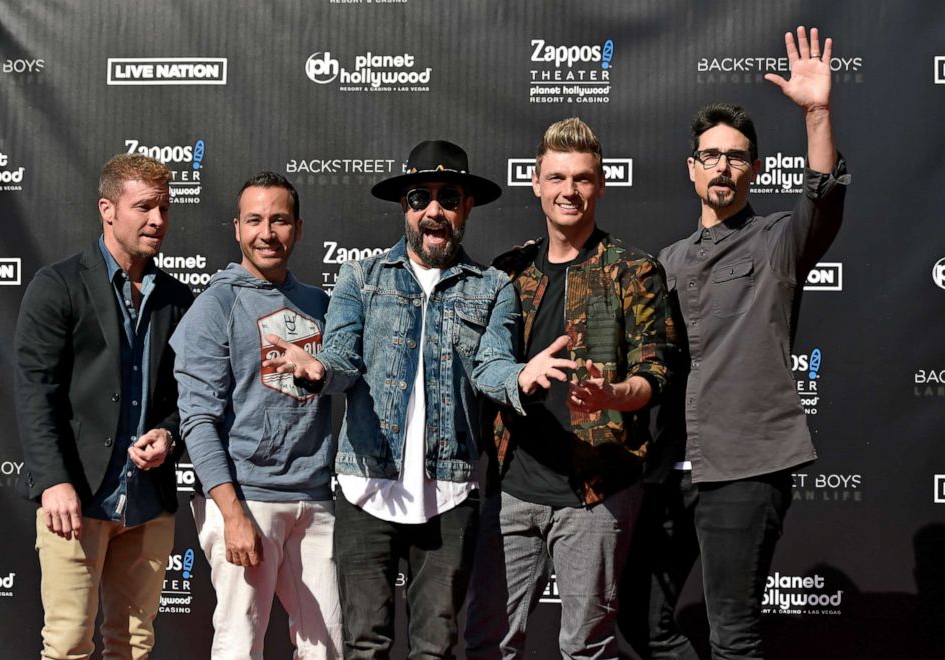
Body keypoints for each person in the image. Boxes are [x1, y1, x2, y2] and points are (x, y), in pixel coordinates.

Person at [263, 140, 576, 659]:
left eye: (447, 196)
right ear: (404, 207)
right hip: (367, 487)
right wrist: (318, 369)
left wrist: (519, 378)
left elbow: (489, 366)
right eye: (419, 197)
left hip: (449, 493)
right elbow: (342, 358)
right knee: (366, 646)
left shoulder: (493, 287)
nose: (434, 209)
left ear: (466, 206)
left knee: (435, 649)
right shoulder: (361, 279)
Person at [637, 26, 850, 660]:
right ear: (693, 168)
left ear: (754, 168)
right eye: (711, 155)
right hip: (669, 466)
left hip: (747, 467)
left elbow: (825, 199)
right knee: (644, 622)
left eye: (736, 156)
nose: (722, 167)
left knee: (734, 637)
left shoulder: (779, 240)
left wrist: (817, 114)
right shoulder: (665, 261)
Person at [464, 117, 674, 660]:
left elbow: (654, 374)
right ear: (536, 184)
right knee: (488, 643)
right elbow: (486, 367)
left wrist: (613, 394)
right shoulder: (507, 273)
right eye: (557, 178)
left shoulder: (633, 270)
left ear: (600, 185)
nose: (569, 191)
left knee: (586, 648)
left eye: (582, 178)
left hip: (596, 494)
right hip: (512, 487)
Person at [14, 153, 194, 659]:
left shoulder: (178, 299)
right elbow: (35, 390)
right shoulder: (59, 286)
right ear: (107, 209)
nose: (158, 220)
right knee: (69, 642)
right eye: (144, 207)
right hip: (77, 499)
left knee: (133, 646)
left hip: (147, 503)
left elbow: (188, 396)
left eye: (164, 207)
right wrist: (53, 480)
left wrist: (169, 434)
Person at [170, 172, 343, 659]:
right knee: (239, 645)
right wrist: (231, 512)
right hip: (247, 500)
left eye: (279, 220)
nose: (267, 232)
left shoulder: (319, 304)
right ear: (237, 228)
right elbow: (197, 419)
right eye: (255, 220)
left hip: (314, 500)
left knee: (329, 646)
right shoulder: (215, 305)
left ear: (299, 229)